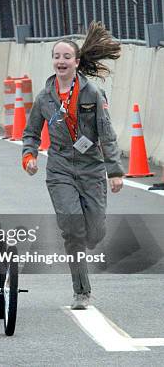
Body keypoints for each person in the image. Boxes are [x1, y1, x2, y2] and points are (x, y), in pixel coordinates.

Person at [21, 21, 124, 310]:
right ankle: (82, 291)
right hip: (60, 168)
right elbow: (30, 133)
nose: (61, 61)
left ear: (77, 62)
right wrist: (28, 156)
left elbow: (106, 133)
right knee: (72, 230)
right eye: (57, 56)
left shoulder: (92, 94)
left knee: (94, 232)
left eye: (67, 57)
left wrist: (114, 171)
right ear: (52, 61)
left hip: (91, 168)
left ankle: (92, 235)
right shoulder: (44, 97)